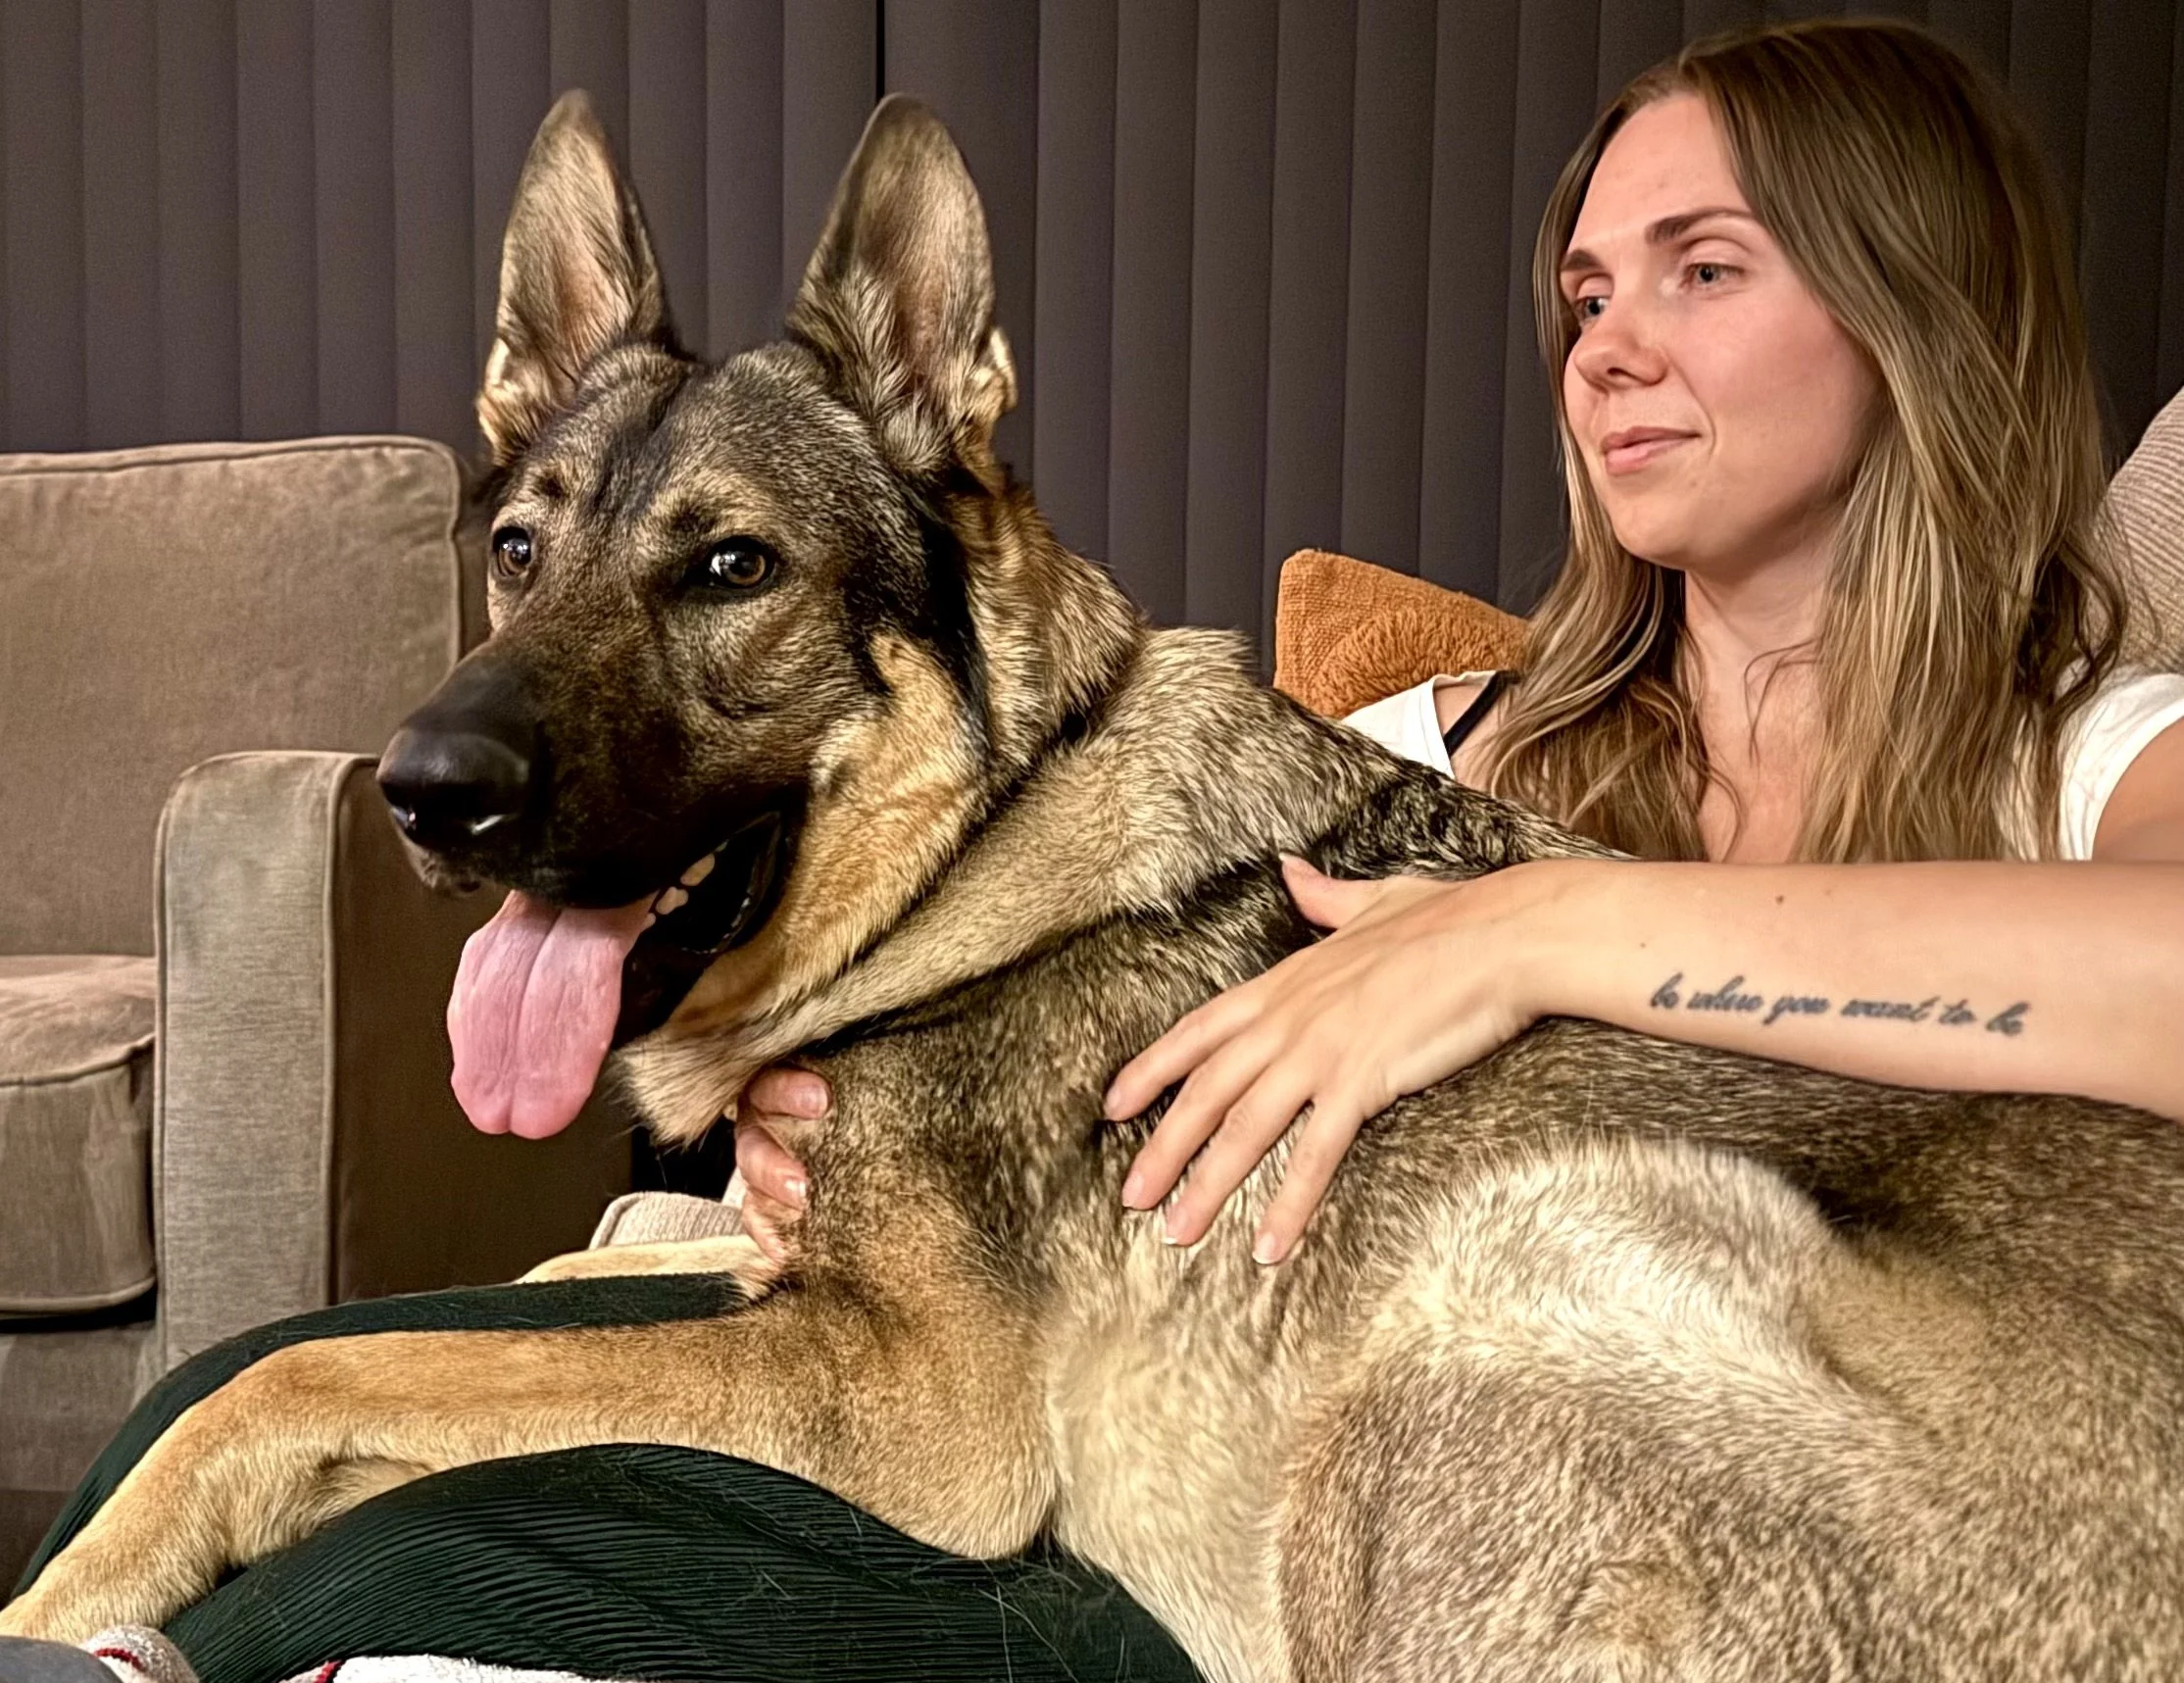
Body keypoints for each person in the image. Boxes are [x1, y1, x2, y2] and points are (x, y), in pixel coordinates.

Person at [733, 18, 2184, 1267]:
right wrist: (855, 1133)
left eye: (1704, 270)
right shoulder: (1424, 760)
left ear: (1917, 308)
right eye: (1589, 299)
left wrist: (1531, 928)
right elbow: (1119, 1096)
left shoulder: (2089, 756)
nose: (1603, 351)